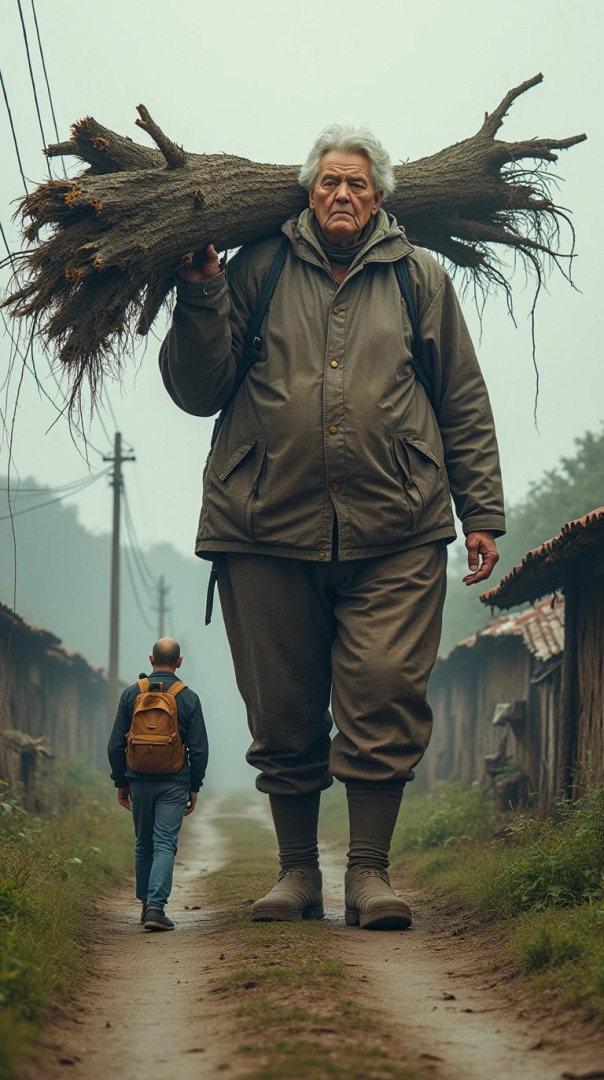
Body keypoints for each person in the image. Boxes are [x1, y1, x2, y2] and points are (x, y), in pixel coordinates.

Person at [159, 124, 505, 929]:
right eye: (328, 184)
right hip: (263, 526)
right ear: (307, 194)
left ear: (380, 197)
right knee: (282, 710)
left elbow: (461, 399)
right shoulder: (257, 270)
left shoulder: (419, 278)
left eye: (356, 184)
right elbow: (197, 389)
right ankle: (296, 875)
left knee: (385, 692)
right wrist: (204, 292)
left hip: (399, 528)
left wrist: (480, 510)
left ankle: (370, 874)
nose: (342, 195)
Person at [108, 637, 209, 930]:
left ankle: (145, 905)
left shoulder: (131, 694)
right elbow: (200, 749)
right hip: (174, 782)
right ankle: (156, 907)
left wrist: (121, 781)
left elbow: (115, 745)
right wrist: (195, 786)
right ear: (179, 662)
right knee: (165, 844)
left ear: (151, 660)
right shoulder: (188, 698)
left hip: (138, 780)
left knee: (144, 844)